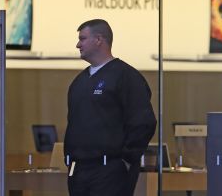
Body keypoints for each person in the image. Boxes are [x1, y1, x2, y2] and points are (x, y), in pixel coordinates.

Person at [64, 19, 156, 196]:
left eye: (82, 39)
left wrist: (126, 159)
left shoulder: (126, 77)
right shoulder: (79, 82)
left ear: (99, 40)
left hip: (111, 169)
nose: (78, 44)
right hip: (79, 170)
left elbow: (143, 122)